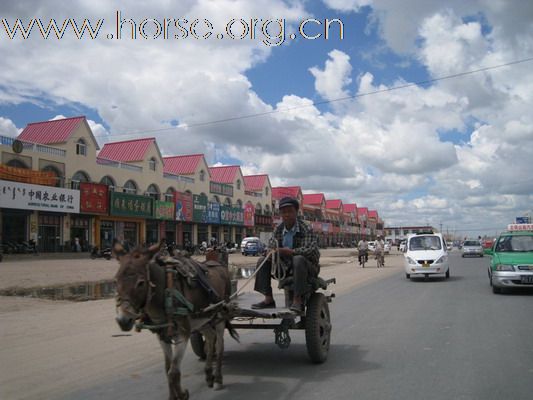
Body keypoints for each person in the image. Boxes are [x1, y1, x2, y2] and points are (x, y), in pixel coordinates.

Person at [251, 196, 320, 313]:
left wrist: (291, 252)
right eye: (284, 212)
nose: (286, 215)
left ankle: (297, 299)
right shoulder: (278, 229)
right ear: (280, 214)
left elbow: (311, 251)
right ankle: (268, 298)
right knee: (262, 260)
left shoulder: (306, 228)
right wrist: (270, 252)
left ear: (296, 212)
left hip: (307, 267)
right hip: (285, 267)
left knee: (298, 259)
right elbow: (272, 246)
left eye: (290, 211)